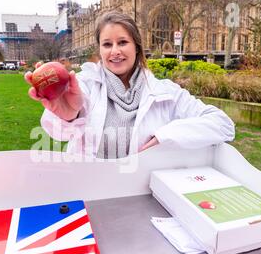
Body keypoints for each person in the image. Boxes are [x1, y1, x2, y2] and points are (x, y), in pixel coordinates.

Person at [25, 11, 235, 159]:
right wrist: (69, 116)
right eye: (107, 44)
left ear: (137, 47)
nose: (115, 51)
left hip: (141, 192)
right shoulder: (84, 84)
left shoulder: (165, 91)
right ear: (100, 50)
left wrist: (167, 137)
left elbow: (223, 125)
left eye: (123, 42)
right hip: (87, 190)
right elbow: (57, 133)